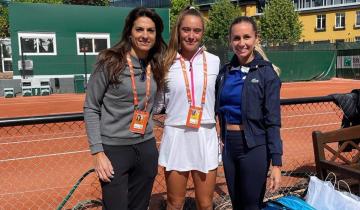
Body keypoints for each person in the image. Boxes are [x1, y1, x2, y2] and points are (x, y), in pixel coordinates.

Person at [83, 7, 166, 210]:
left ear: (156, 35)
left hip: (146, 147)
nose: (145, 35)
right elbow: (91, 107)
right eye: (139, 29)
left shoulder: (155, 63)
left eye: (150, 30)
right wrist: (97, 153)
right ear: (130, 32)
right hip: (115, 150)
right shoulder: (110, 61)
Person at [215, 16, 282, 210]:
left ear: (256, 39)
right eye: (236, 38)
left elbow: (273, 121)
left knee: (251, 205)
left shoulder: (266, 73)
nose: (241, 43)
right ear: (230, 40)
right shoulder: (224, 72)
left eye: (247, 37)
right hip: (229, 147)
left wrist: (276, 163)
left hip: (254, 146)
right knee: (237, 204)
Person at [157, 6, 221, 210]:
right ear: (178, 31)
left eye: (197, 31)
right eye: (186, 30)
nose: (191, 36)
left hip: (205, 134)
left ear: (202, 33)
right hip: (176, 135)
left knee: (205, 203)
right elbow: (158, 102)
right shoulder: (165, 62)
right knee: (175, 203)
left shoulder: (214, 61)